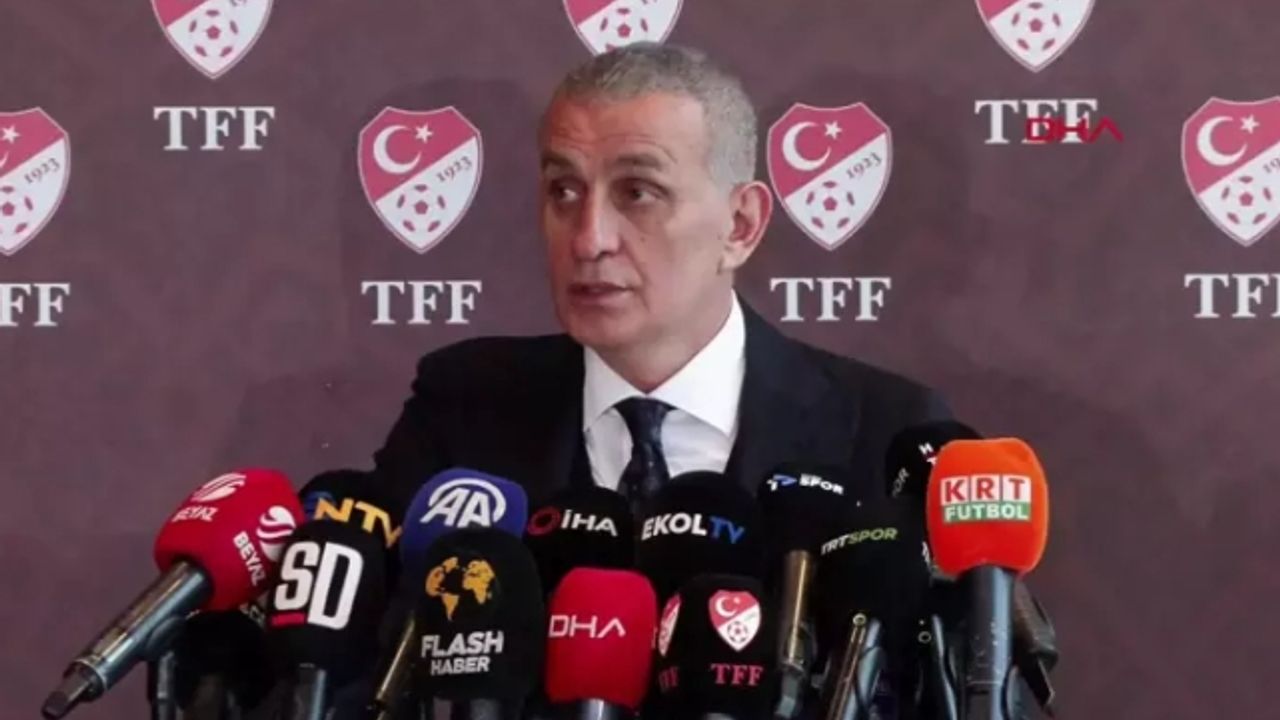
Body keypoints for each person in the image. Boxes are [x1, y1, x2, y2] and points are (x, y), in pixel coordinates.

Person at [371, 42, 949, 513]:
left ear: (740, 225)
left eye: (638, 193)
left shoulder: (887, 433)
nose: (589, 238)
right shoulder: (462, 411)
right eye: (564, 191)